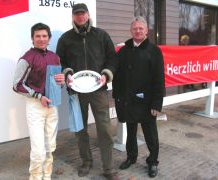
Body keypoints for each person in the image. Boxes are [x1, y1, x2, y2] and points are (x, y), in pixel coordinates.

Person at [56, 3, 119, 180]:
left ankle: (108, 168)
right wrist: (67, 73)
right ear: (73, 16)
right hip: (76, 92)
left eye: (83, 13)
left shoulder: (101, 35)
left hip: (98, 90)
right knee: (80, 129)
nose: (80, 16)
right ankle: (86, 161)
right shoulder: (65, 39)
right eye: (77, 14)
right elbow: (59, 61)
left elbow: (112, 58)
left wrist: (107, 74)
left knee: (105, 129)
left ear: (88, 14)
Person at [112, 16, 165, 178]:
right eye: (135, 28)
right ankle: (131, 157)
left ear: (146, 30)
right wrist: (117, 97)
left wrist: (157, 104)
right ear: (131, 30)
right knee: (130, 131)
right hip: (128, 100)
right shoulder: (124, 51)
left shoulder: (154, 51)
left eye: (141, 28)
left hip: (147, 103)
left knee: (151, 135)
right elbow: (118, 76)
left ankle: (153, 162)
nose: (137, 31)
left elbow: (159, 79)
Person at [13, 23, 65, 180]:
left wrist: (61, 81)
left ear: (49, 38)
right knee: (38, 151)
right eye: (38, 36)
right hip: (36, 106)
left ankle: (47, 176)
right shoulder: (26, 58)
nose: (41, 39)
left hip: (52, 105)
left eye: (44, 36)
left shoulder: (55, 57)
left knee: (51, 147)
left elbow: (56, 83)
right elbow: (17, 85)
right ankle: (35, 177)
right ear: (32, 38)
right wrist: (38, 96)